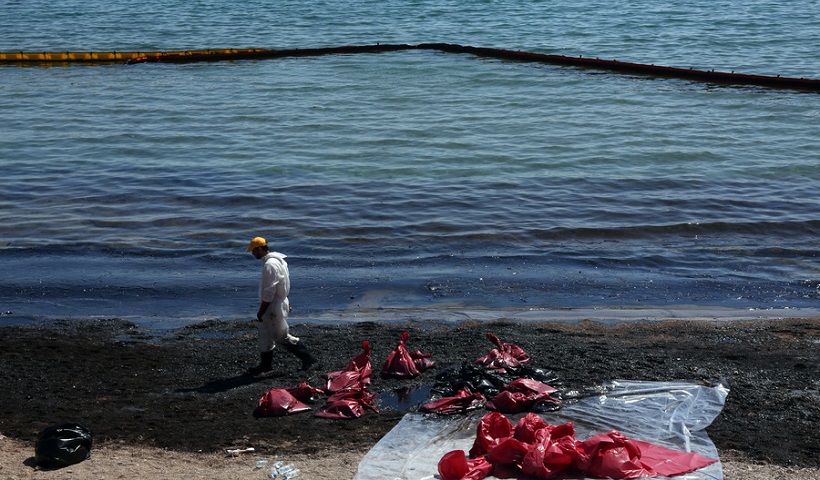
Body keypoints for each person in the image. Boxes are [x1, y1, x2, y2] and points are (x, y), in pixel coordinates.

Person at [245, 236, 318, 375]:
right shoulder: (278, 261)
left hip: (273, 306)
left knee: (280, 336)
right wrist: (287, 300)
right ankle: (265, 365)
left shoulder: (270, 265)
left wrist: (261, 311)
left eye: (253, 251)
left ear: (260, 249)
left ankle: (309, 359)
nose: (253, 254)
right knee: (265, 334)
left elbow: (270, 291)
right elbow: (283, 284)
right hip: (277, 301)